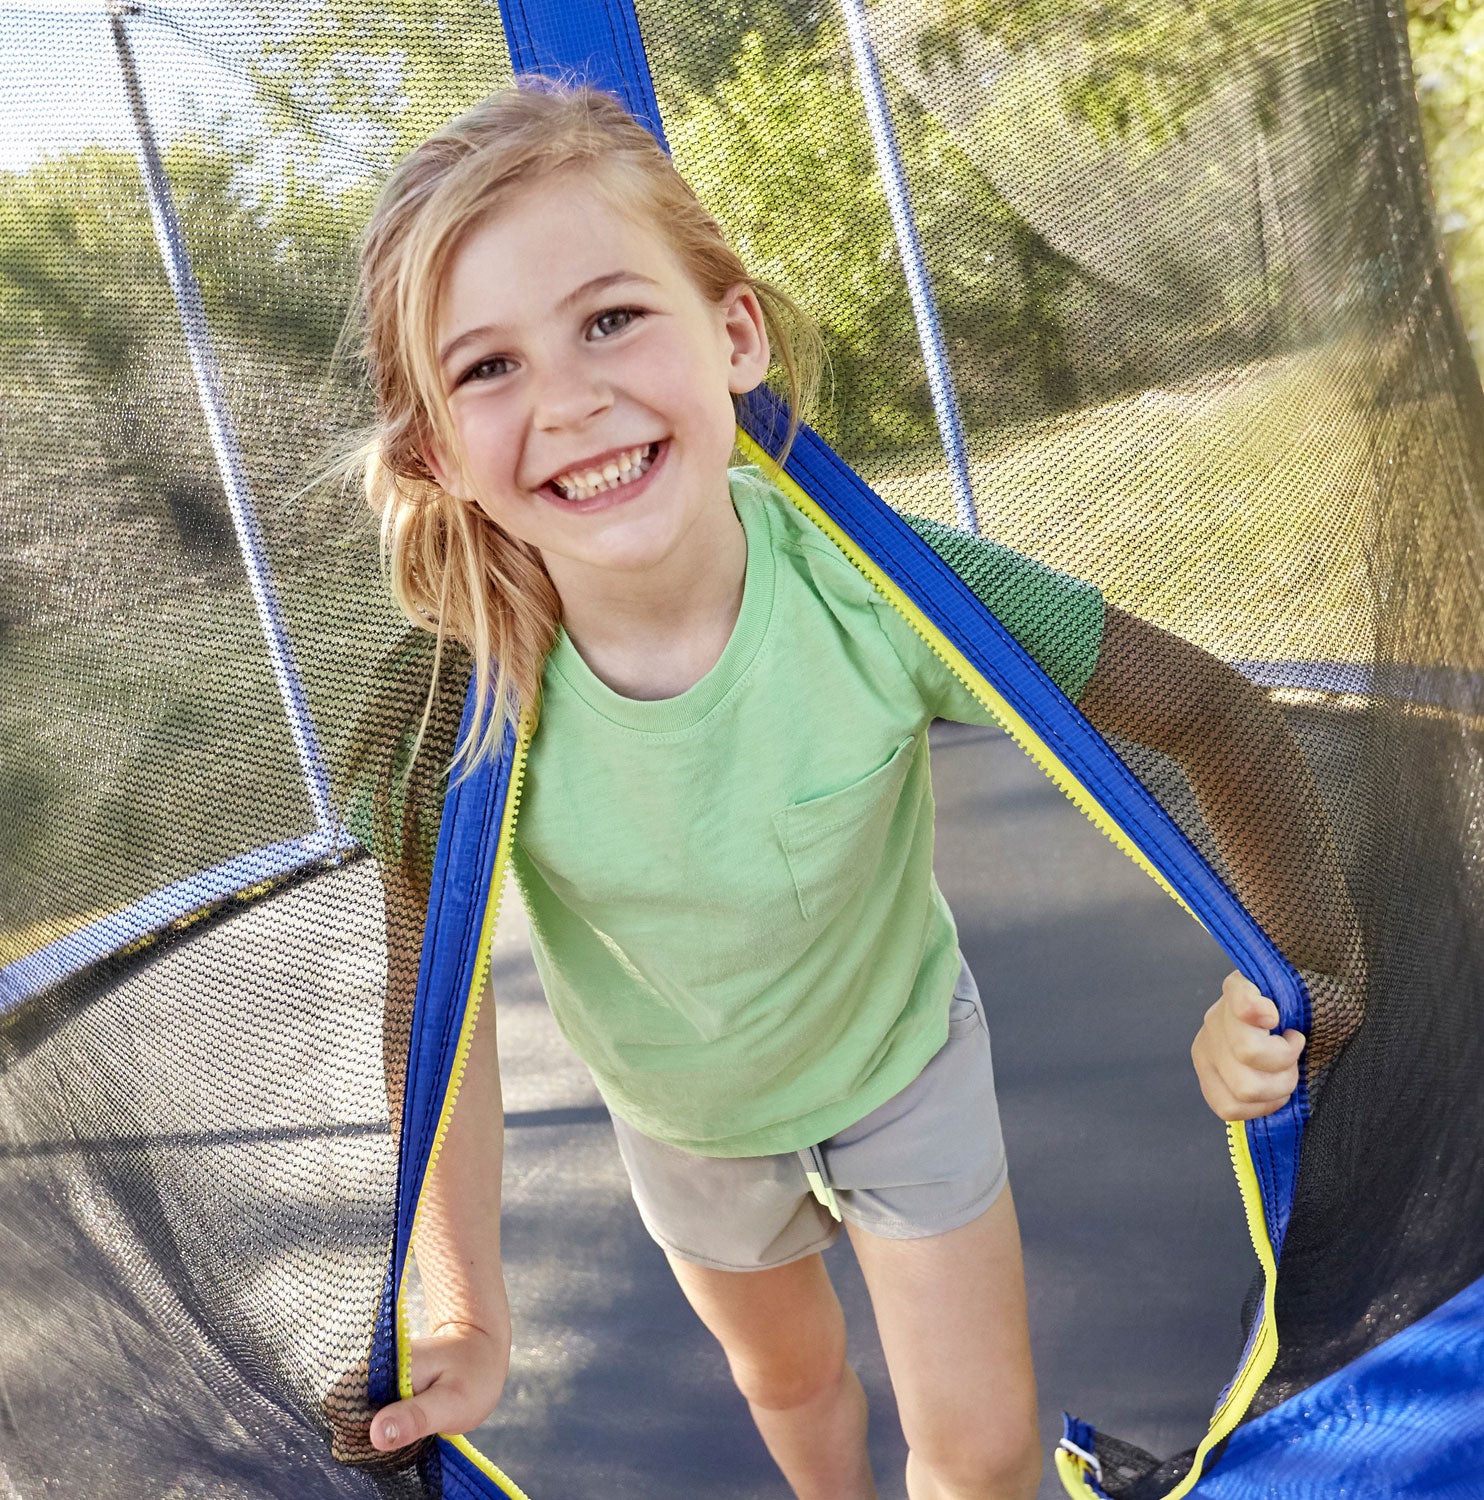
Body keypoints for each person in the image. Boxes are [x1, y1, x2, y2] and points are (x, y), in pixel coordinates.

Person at [340, 79, 1362, 1500]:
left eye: (612, 318)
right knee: (795, 1386)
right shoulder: (449, 706)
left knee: (981, 1449)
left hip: (900, 1064)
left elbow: (1216, 716)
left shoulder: (891, 594)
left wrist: (1309, 976)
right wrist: (458, 1303)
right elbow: (430, 1018)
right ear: (439, 451)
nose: (569, 400)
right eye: (488, 367)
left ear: (734, 333)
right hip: (686, 1120)